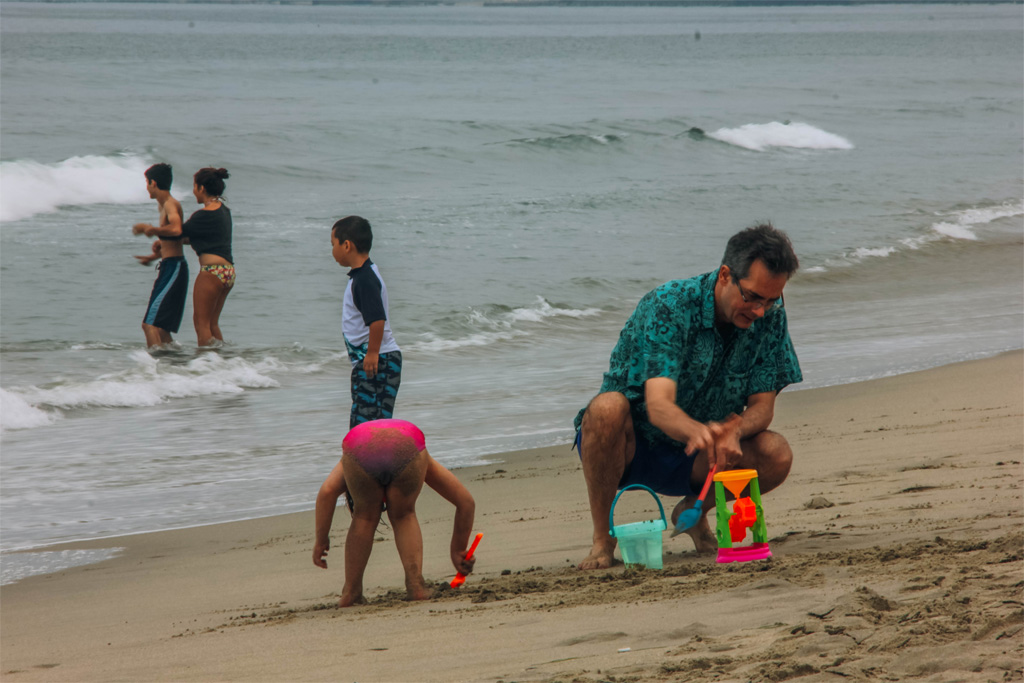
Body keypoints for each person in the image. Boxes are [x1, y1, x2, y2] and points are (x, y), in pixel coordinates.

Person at [573, 223, 802, 570]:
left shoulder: (769, 319)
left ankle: (695, 510)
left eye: (771, 300)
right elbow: (659, 405)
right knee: (605, 407)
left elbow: (762, 407)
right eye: (753, 297)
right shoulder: (671, 304)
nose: (760, 311)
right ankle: (603, 539)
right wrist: (700, 432)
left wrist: (735, 430)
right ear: (726, 275)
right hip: (630, 446)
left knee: (777, 453)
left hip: (701, 462)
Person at [312, 418, 476, 607]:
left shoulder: (345, 465)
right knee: (403, 515)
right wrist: (457, 549)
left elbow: (326, 493)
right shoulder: (426, 462)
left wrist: (321, 540)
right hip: (407, 444)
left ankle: (351, 593)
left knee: (364, 517)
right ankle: (416, 587)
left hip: (361, 447)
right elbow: (466, 503)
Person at [146, 167, 234, 346]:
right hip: (228, 272)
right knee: (212, 323)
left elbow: (176, 233)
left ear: (201, 188)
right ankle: (221, 362)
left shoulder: (202, 215)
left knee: (201, 325)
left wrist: (157, 235)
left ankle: (205, 364)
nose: (194, 191)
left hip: (212, 271)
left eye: (194, 187)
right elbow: (189, 237)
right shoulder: (224, 211)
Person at [331, 216, 403, 428]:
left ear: (346, 245)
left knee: (366, 430)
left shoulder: (364, 279)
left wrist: (372, 353)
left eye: (333, 244)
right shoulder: (362, 275)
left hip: (378, 361)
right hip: (375, 361)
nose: (332, 250)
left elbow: (377, 320)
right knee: (371, 429)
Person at [131, 163, 188, 348]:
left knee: (150, 325)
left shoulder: (171, 204)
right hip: (170, 266)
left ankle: (156, 370)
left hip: (174, 268)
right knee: (162, 329)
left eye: (147, 183)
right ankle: (173, 368)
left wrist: (151, 229)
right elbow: (174, 239)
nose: (146, 187)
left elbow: (177, 228)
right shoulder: (163, 206)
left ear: (153, 183)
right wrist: (153, 257)